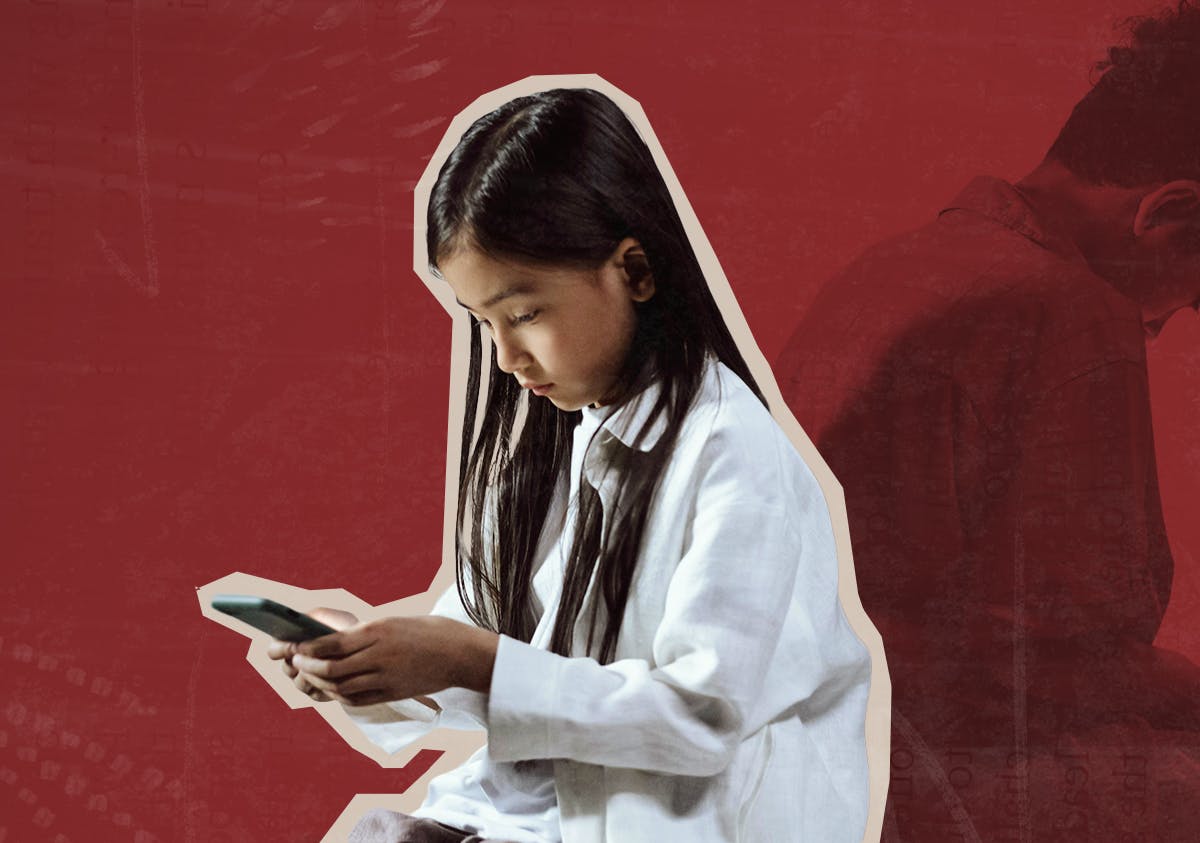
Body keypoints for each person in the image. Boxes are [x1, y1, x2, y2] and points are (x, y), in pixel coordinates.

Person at [266, 87, 876, 843]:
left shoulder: (733, 451)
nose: (505, 356)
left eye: (524, 314)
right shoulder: (557, 444)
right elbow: (476, 647)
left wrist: (476, 661)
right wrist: (366, 656)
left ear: (635, 271)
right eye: (484, 322)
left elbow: (698, 720)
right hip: (530, 815)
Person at [775, 3, 1200, 840]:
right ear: (1167, 212)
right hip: (895, 767)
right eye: (1194, 296)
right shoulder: (1069, 309)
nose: (1166, 323)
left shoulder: (897, 266)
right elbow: (1055, 670)